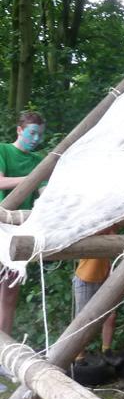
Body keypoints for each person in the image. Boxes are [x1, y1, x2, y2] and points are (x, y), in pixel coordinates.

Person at [0, 110, 46, 335]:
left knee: (9, 293)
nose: (36, 139)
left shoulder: (39, 161)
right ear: (19, 130)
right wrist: (31, 178)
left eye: (40, 135)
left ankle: (3, 348)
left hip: (20, 233)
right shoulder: (3, 150)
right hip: (0, 225)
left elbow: (44, 192)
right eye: (32, 133)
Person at [73, 226, 119, 365]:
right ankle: (78, 357)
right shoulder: (91, 229)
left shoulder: (110, 231)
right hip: (85, 279)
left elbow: (112, 244)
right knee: (83, 320)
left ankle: (106, 350)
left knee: (110, 316)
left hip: (103, 277)